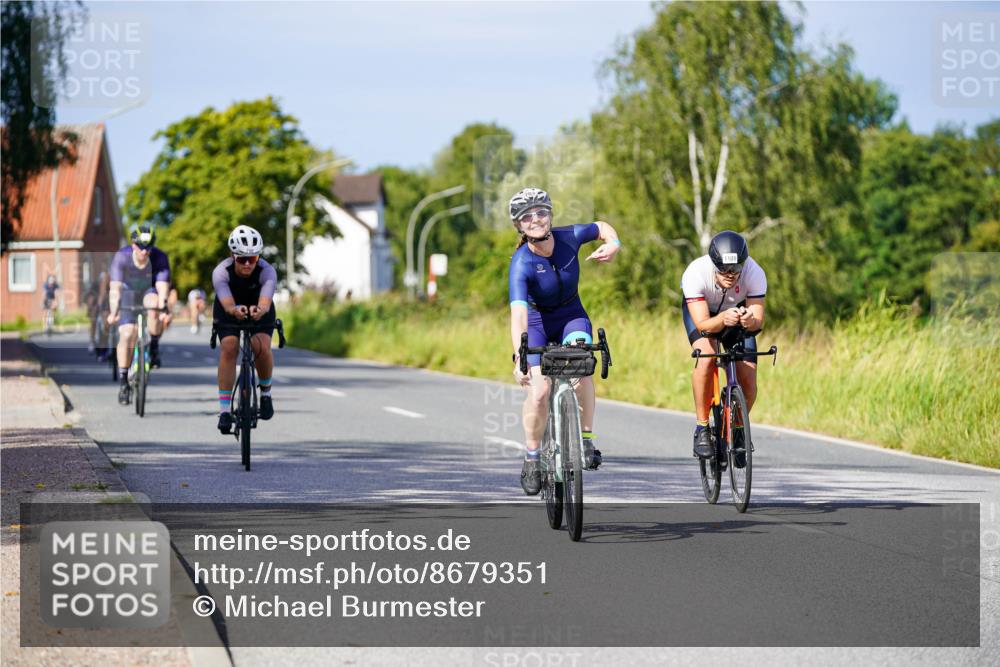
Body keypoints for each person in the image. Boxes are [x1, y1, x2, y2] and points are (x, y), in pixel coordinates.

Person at [507, 187, 621, 495]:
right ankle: (532, 457)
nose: (536, 220)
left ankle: (585, 441)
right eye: (527, 217)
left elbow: (601, 227)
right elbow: (518, 315)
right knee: (540, 391)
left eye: (541, 212)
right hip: (537, 323)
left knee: (582, 368)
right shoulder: (521, 264)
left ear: (551, 214)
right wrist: (519, 356)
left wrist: (614, 243)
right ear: (519, 225)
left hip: (571, 316)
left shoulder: (570, 236)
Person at [680, 230, 767, 462]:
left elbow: (758, 319)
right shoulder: (695, 274)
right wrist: (721, 319)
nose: (730, 275)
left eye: (736, 269)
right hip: (705, 315)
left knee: (748, 379)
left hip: (736, 315)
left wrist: (750, 320)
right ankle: (702, 428)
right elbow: (703, 325)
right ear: (713, 264)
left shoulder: (754, 272)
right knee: (707, 356)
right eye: (724, 270)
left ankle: (738, 429)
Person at [212, 225, 278, 435]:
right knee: (230, 347)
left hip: (259, 307)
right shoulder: (221, 272)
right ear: (232, 256)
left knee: (261, 346)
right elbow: (228, 303)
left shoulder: (267, 271)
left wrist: (260, 310)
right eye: (242, 259)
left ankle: (266, 393)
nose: (248, 264)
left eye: (253, 258)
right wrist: (234, 310)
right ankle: (224, 411)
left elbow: (266, 302)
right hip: (228, 307)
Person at [107, 224, 172, 405]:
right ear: (133, 245)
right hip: (127, 293)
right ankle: (123, 382)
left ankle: (154, 346)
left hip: (148, 291)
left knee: (155, 306)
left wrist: (164, 309)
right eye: (141, 247)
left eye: (149, 247)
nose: (145, 251)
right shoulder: (122, 257)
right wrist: (113, 312)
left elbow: (162, 287)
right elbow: (116, 288)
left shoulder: (159, 257)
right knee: (127, 333)